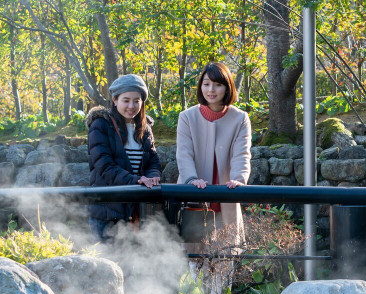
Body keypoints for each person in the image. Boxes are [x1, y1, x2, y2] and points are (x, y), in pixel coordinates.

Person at [176, 62, 252, 245]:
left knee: (225, 258)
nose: (211, 89)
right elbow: (184, 154)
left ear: (227, 88)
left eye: (218, 84)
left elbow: (242, 155)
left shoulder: (240, 118)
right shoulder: (187, 117)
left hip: (226, 197)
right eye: (206, 83)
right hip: (194, 199)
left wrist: (238, 180)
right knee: (192, 257)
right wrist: (191, 180)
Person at [86, 74, 162, 242]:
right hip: (106, 211)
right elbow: (105, 167)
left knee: (134, 265)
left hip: (135, 212)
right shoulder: (101, 125)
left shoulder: (144, 128)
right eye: (126, 100)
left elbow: (153, 162)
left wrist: (152, 177)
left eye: (137, 101)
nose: (131, 106)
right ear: (115, 100)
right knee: (108, 265)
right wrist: (137, 181)